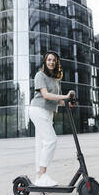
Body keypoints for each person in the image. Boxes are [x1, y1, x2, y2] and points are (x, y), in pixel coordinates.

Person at [29, 51, 75, 187]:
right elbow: (46, 95)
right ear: (45, 61)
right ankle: (42, 174)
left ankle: (39, 177)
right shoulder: (40, 75)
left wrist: (68, 102)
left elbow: (57, 100)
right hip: (38, 110)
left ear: (56, 63)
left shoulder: (56, 80)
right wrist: (64, 97)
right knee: (51, 140)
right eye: (49, 60)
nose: (51, 62)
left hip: (48, 113)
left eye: (54, 60)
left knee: (42, 144)